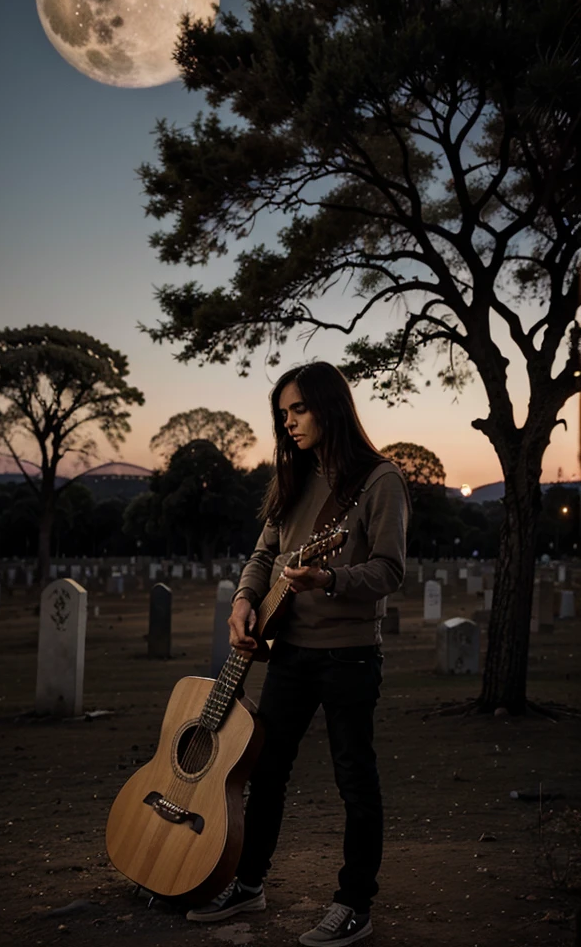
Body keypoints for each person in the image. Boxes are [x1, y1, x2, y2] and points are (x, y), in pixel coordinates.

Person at [186, 361, 410, 946]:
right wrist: (242, 603)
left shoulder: (379, 481)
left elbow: (389, 569)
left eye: (298, 410)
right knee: (265, 772)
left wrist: (328, 581)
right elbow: (264, 555)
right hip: (289, 654)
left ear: (329, 407)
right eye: (282, 413)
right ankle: (249, 882)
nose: (287, 423)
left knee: (354, 780)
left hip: (349, 657)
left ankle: (355, 902)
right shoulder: (293, 476)